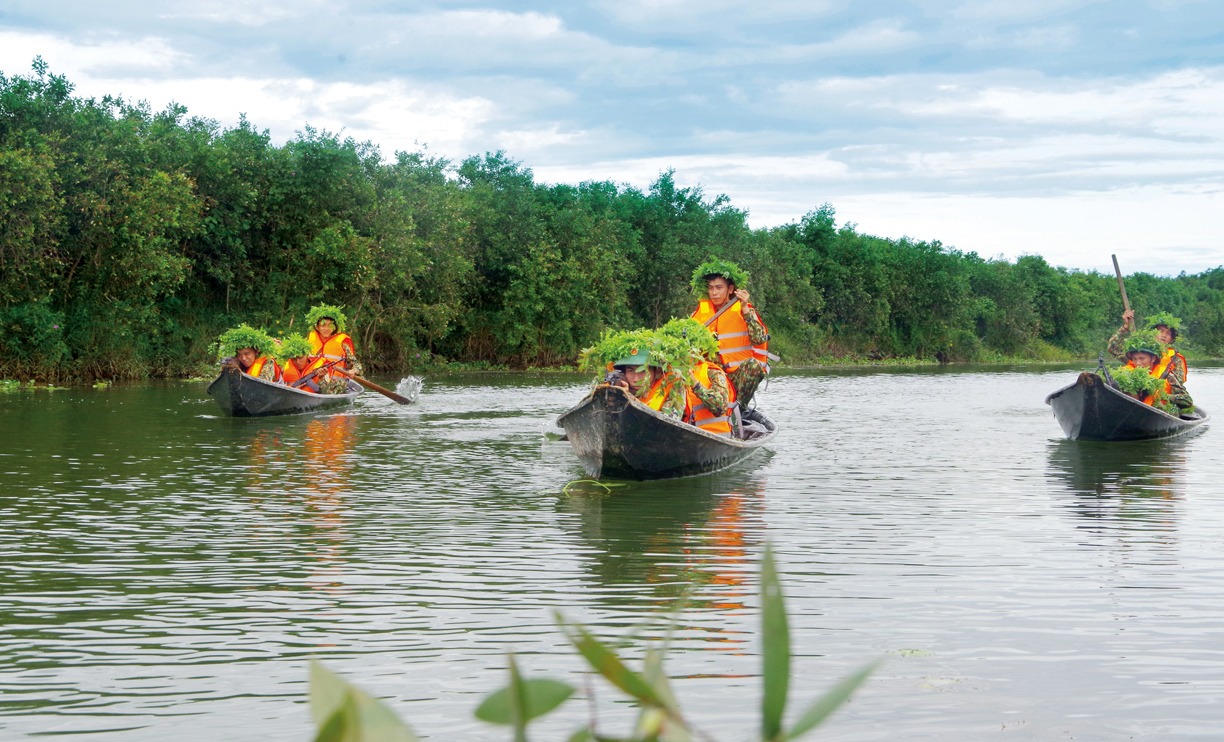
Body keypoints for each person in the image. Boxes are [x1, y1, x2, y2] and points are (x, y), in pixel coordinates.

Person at [689, 259, 773, 406]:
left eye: (719, 287)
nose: (714, 293)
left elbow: (759, 338)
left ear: (730, 289)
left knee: (753, 365)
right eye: (711, 288)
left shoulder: (743, 309)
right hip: (711, 373)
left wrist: (745, 308)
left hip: (735, 374)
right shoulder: (700, 313)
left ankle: (739, 408)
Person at [1107, 310, 1188, 388]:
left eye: (1168, 333)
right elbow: (1113, 347)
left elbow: (1178, 383)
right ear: (1152, 333)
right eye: (1161, 331)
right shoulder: (1139, 351)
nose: (1164, 335)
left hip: (1158, 395)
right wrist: (1126, 326)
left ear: (1171, 339)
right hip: (1135, 392)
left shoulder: (1175, 359)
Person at [1120, 331, 1193, 412]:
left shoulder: (1168, 376)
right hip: (1133, 411)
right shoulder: (1126, 375)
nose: (1138, 363)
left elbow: (1187, 401)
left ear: (1153, 359)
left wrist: (1164, 397)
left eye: (1142, 358)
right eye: (1134, 359)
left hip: (1158, 413)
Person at [305, 304, 361, 395]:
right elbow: (297, 357)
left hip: (336, 383)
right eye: (323, 326)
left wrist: (353, 371)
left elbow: (357, 365)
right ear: (317, 327)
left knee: (325, 388)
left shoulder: (342, 343)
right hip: (314, 381)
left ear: (335, 328)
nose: (326, 329)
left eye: (330, 326)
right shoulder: (309, 343)